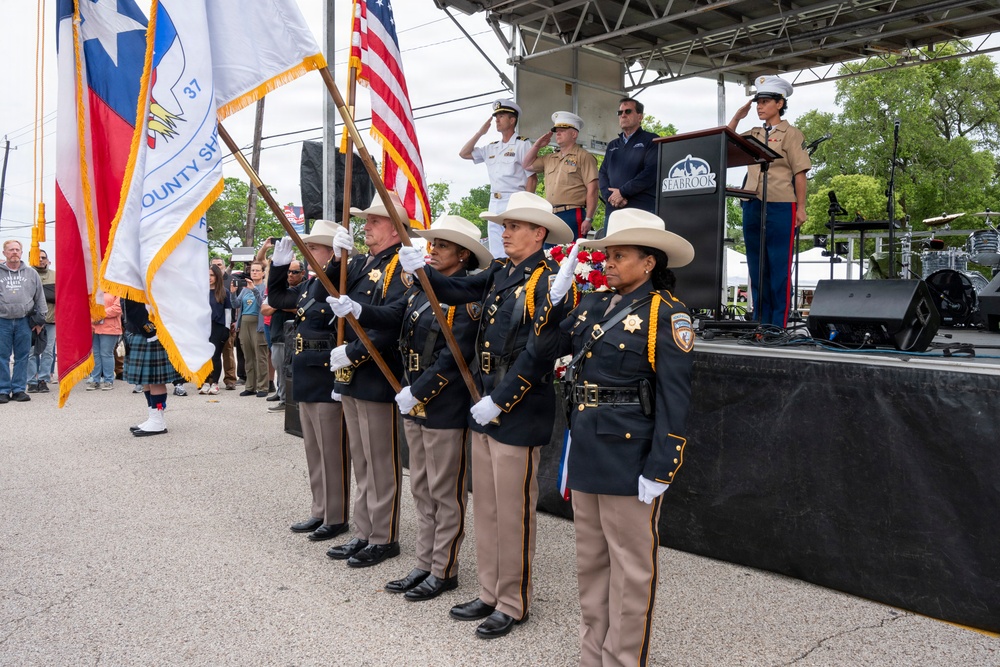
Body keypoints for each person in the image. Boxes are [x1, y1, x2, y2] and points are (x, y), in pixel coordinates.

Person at [397, 191, 572, 639]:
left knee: (514, 513)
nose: (505, 232)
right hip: (484, 399)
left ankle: (514, 601)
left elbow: (539, 352)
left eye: (514, 226)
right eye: (505, 225)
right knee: (489, 509)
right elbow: (459, 289)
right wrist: (421, 271)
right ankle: (491, 591)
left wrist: (502, 398)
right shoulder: (500, 270)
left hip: (516, 405)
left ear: (538, 233)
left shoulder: (550, 281)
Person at [550, 208, 695, 667]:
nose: (607, 263)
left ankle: (622, 659)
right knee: (590, 561)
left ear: (649, 262)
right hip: (588, 444)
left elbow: (677, 397)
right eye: (607, 255)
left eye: (619, 256)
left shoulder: (668, 314)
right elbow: (547, 346)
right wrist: (555, 300)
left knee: (631, 569)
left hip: (631, 455)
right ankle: (593, 654)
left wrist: (662, 466)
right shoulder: (593, 303)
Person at [329, 215, 491, 601]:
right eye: (431, 245)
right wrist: (356, 309)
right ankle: (423, 561)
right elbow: (393, 315)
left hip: (442, 402)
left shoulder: (466, 296)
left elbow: (457, 355)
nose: (431, 251)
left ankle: (443, 568)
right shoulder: (420, 288)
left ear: (463, 255)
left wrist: (418, 390)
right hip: (414, 401)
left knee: (444, 490)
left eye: (442, 247)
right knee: (421, 486)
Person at [326, 193, 410, 568]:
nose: (366, 227)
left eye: (374, 221)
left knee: (380, 461)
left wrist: (356, 353)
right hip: (353, 375)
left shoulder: (400, 266)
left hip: (378, 372)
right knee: (361, 459)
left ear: (393, 227)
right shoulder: (361, 262)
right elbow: (324, 294)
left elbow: (395, 321)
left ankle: (384, 536)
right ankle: (364, 531)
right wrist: (334, 260)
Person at [268, 222, 352, 543]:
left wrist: (335, 263)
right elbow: (276, 297)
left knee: (332, 450)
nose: (307, 253)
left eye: (314, 248)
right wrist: (276, 267)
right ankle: (319, 509)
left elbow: (328, 287)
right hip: (304, 371)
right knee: (313, 449)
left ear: (331, 252)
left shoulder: (336, 282)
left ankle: (336, 515)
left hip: (326, 374)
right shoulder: (307, 287)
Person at [727, 74, 810, 328]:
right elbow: (723, 142)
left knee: (778, 267)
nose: (760, 106)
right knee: (756, 266)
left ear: (780, 103)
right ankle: (759, 323)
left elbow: (800, 173)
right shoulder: (751, 132)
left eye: (765, 101)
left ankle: (777, 325)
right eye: (757, 102)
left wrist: (802, 208)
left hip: (781, 205)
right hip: (752, 204)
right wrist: (738, 117)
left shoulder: (791, 133)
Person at [459, 99, 537, 258]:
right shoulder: (492, 147)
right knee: (496, 252)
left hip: (514, 200)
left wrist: (525, 206)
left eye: (501, 116)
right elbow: (464, 153)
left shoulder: (522, 144)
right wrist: (480, 133)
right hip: (494, 201)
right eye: (496, 117)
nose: (497, 120)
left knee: (514, 248)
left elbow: (532, 178)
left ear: (512, 120)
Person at [523, 111, 599, 239]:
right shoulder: (550, 158)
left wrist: (588, 218)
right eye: (556, 130)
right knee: (549, 254)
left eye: (562, 130)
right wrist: (537, 145)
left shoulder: (584, 156)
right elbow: (526, 164)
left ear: (574, 134)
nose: (557, 133)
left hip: (572, 213)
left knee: (571, 254)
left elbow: (593, 189)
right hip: (551, 214)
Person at [597, 97, 660, 231]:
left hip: (641, 209)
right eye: (620, 113)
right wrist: (611, 197)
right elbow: (602, 173)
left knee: (640, 249)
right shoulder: (613, 145)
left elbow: (650, 173)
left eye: (628, 111)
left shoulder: (652, 140)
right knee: (612, 250)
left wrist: (623, 192)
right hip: (614, 210)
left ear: (640, 116)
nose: (623, 115)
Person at [122, 298, 182, 436]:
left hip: (150, 333)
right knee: (147, 381)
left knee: (155, 381)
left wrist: (150, 331)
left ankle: (157, 421)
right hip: (138, 332)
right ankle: (154, 417)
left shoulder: (140, 279)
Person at [0, 240, 47, 403]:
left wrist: (40, 321)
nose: (14, 252)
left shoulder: (31, 273)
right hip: (2, 321)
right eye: (11, 250)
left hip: (25, 321)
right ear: (4, 253)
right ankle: (3, 390)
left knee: (23, 356)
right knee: (2, 356)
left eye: (17, 249)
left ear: (21, 252)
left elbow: (40, 297)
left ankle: (19, 389)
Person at [263, 258, 305, 412]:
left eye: (294, 272)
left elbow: (301, 309)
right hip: (277, 334)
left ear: (302, 273)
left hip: (296, 336)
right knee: (279, 367)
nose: (290, 275)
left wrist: (280, 305)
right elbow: (264, 309)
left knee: (291, 370)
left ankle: (287, 400)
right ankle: (281, 395)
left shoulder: (305, 287)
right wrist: (280, 304)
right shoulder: (279, 289)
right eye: (288, 272)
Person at [236, 261, 269, 397]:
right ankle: (250, 386)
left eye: (257, 270)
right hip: (244, 322)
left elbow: (263, 303)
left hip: (258, 323)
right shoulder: (244, 288)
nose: (254, 273)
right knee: (248, 356)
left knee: (260, 356)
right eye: (252, 271)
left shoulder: (264, 287)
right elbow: (236, 304)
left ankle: (262, 387)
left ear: (262, 273)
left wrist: (254, 289)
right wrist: (232, 293)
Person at [200, 264, 233, 395]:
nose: (209, 278)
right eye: (207, 275)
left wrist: (226, 329)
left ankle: (214, 383)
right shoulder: (201, 292)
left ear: (217, 276)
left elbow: (228, 312)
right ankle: (203, 382)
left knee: (215, 356)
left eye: (212, 275)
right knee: (204, 357)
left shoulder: (224, 292)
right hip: (203, 327)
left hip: (218, 326)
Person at [27, 248, 56, 393]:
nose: (41, 260)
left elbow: (60, 297)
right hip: (30, 321)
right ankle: (31, 381)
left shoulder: (56, 276)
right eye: (37, 257)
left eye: (43, 257)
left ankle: (43, 379)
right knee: (31, 352)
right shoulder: (27, 275)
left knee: (48, 352)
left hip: (51, 321)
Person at [211, 257, 238, 390]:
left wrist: (233, 322)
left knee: (228, 353)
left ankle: (230, 379)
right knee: (212, 354)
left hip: (227, 324)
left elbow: (236, 303)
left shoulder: (231, 280)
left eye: (219, 265)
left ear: (224, 266)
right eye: (214, 265)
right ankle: (209, 379)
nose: (217, 267)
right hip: (210, 326)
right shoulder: (205, 286)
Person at [87, 292, 122, 390]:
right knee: (95, 354)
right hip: (94, 327)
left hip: (110, 328)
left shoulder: (116, 290)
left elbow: (117, 308)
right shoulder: (94, 290)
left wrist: (100, 314)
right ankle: (95, 380)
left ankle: (108, 381)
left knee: (106, 354)